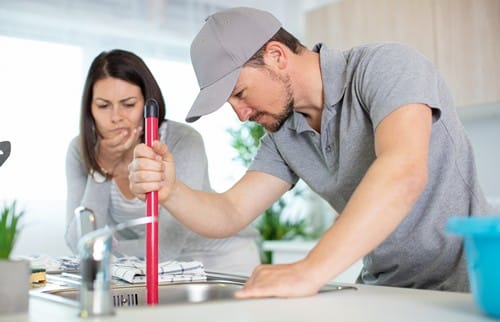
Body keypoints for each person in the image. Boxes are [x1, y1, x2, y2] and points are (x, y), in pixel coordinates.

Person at [128, 7, 490, 298]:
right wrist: (171, 189)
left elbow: (404, 170)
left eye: (239, 94)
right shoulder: (285, 135)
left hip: (469, 287)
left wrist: (308, 269)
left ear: (276, 55)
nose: (240, 115)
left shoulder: (385, 66)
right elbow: (229, 211)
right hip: (385, 291)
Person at [65, 49, 260, 275]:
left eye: (128, 104)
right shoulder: (79, 151)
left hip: (222, 262)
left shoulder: (183, 141)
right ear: (89, 108)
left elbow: (165, 246)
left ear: (148, 104)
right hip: (150, 267)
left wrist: (101, 250)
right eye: (103, 105)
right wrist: (101, 170)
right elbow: (79, 241)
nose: (115, 117)